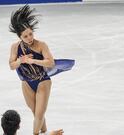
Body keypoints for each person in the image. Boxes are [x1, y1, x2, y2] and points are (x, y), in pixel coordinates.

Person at [8, 4, 74, 135]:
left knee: (39, 114)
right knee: (35, 112)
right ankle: (44, 131)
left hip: (43, 81)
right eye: (25, 36)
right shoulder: (15, 47)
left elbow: (50, 63)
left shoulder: (41, 45)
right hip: (26, 83)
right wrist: (20, 60)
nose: (29, 38)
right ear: (19, 37)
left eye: (30, 34)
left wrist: (33, 60)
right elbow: (11, 66)